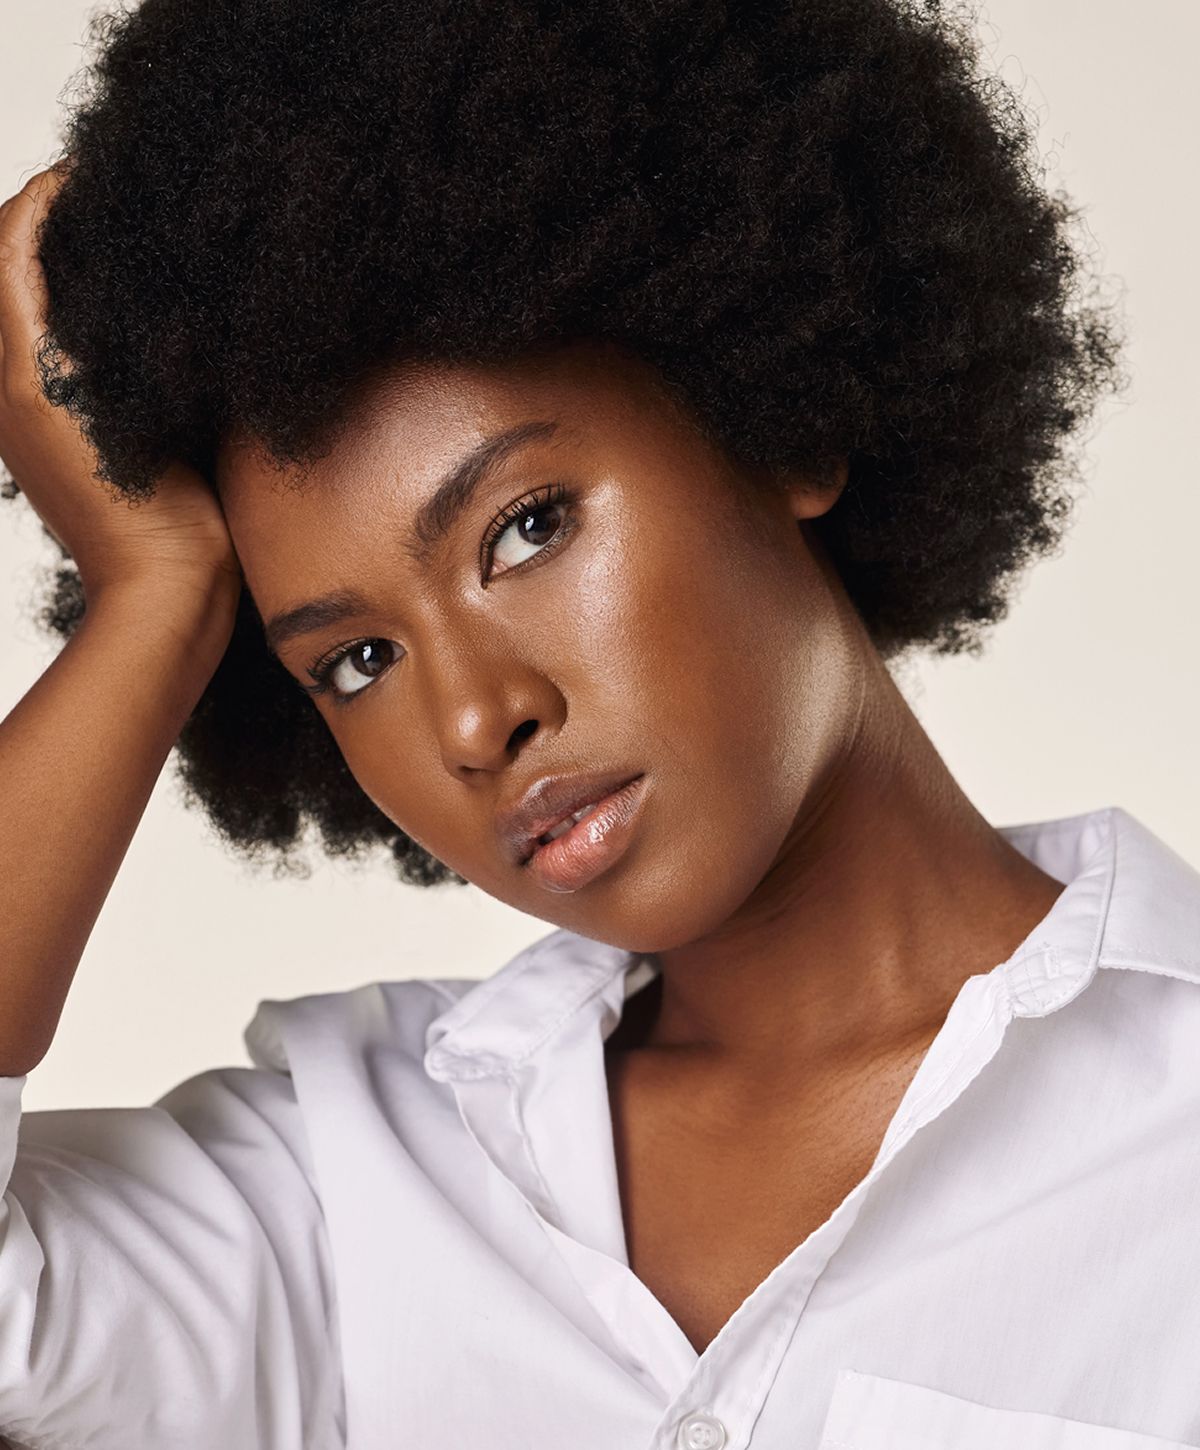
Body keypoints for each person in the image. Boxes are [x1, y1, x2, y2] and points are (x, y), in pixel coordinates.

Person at [0, 0, 1195, 1447]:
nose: (473, 715)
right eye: (360, 656)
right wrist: (155, 598)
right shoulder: (348, 1186)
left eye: (527, 527)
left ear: (781, 416)